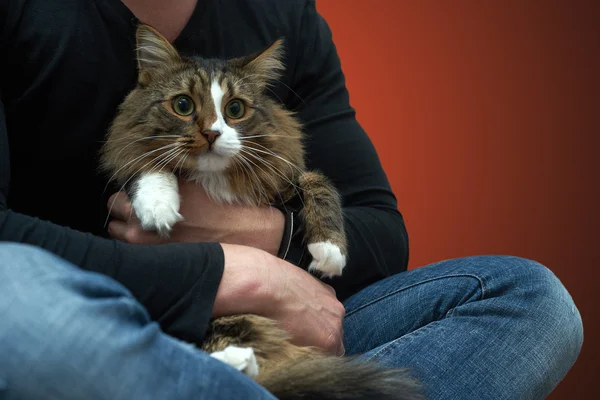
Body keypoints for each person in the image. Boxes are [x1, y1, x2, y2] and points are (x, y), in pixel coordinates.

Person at [0, 0, 583, 399]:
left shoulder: (285, 14)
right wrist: (228, 274)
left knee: (530, 299)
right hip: (93, 328)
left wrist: (266, 240)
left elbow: (379, 233)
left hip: (276, 335)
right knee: (18, 302)